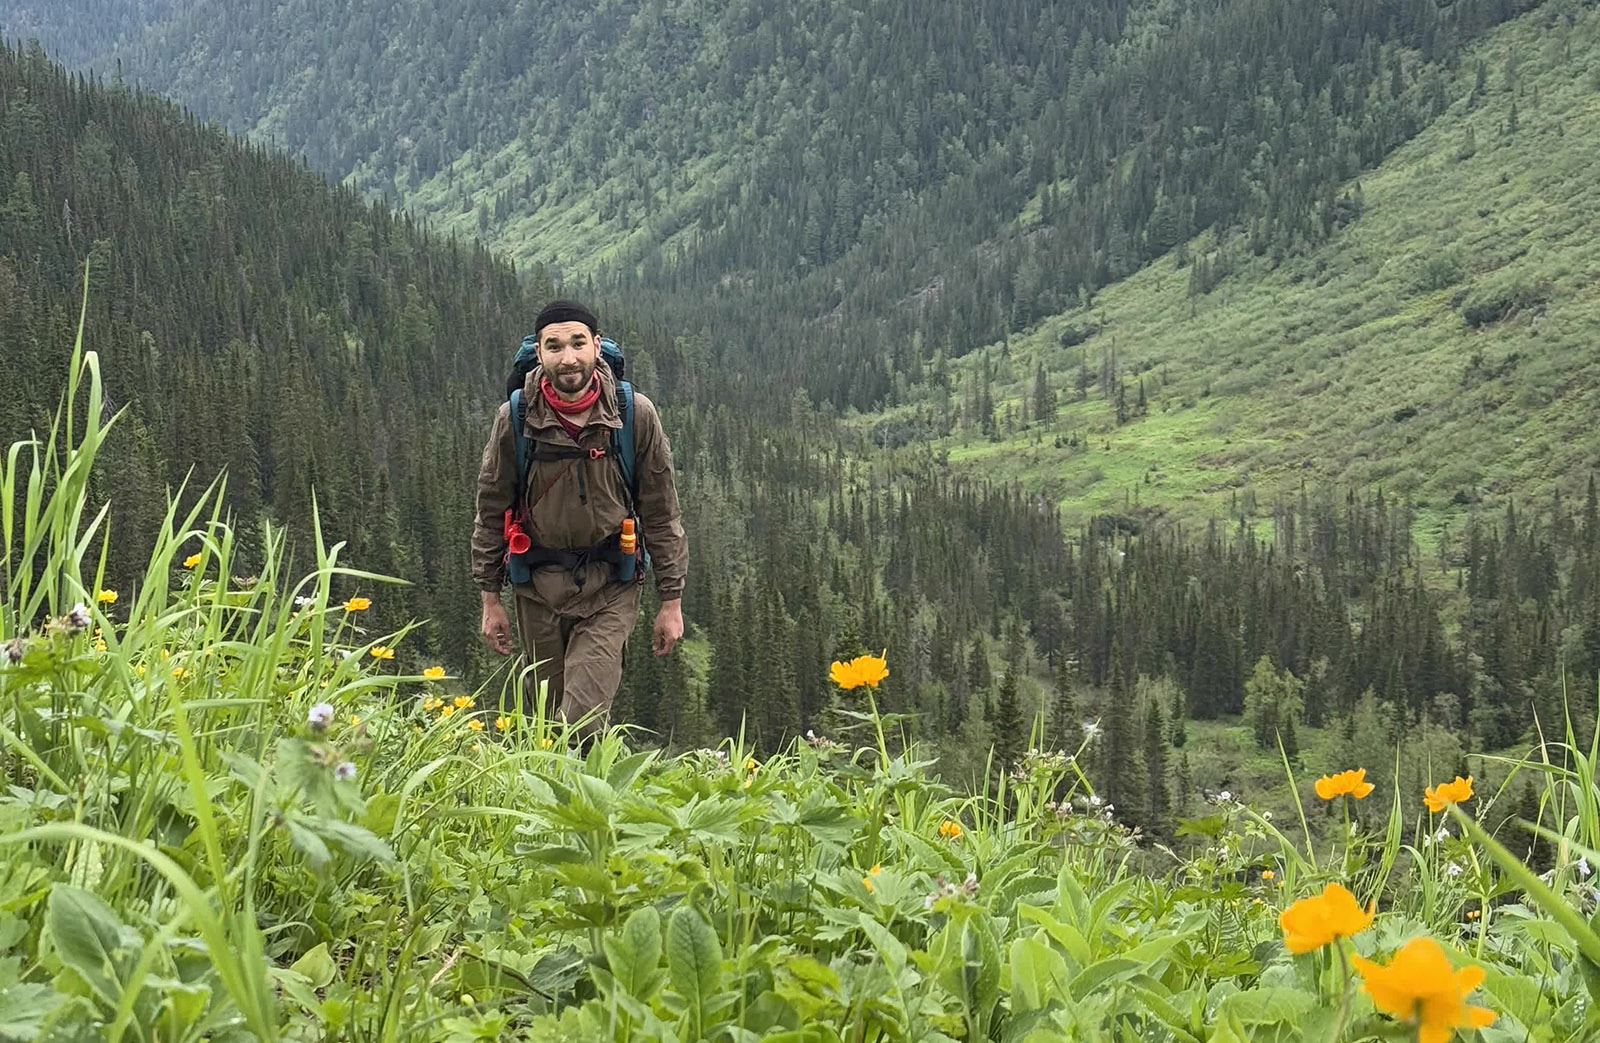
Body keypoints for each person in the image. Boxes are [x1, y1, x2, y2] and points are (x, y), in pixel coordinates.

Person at [472, 300, 687, 737]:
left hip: (611, 584)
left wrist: (672, 601)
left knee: (582, 724)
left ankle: (591, 797)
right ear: (540, 352)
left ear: (596, 344)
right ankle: (549, 804)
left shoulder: (633, 414)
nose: (568, 358)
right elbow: (492, 508)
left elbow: (661, 512)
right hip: (537, 587)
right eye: (554, 346)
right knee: (542, 727)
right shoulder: (515, 417)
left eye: (577, 343)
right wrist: (490, 599)